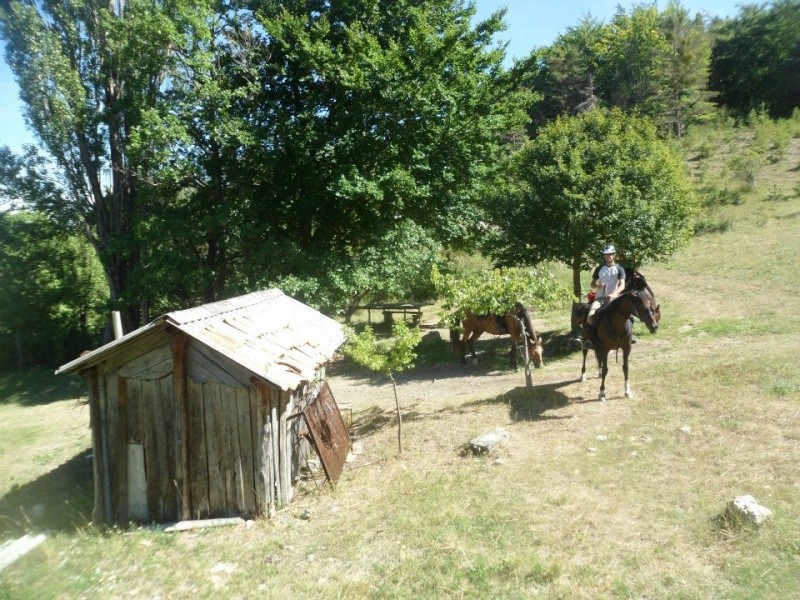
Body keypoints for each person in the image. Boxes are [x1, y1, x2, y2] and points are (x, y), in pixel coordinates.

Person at [583, 244, 626, 348]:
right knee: (590, 315)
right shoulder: (599, 269)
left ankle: (628, 336)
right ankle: (590, 339)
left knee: (627, 312)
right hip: (600, 298)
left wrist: (614, 294)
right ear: (604, 256)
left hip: (615, 298)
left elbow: (622, 285)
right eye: (606, 255)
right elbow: (592, 284)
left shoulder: (620, 269)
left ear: (614, 255)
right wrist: (599, 285)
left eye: (610, 254)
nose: (608, 257)